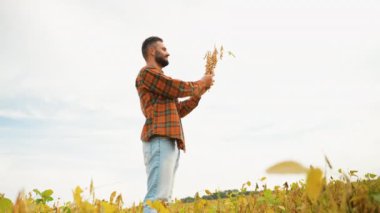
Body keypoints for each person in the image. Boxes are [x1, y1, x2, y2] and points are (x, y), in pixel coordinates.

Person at [135, 36, 214, 212]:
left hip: (168, 140)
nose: (168, 52)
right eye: (163, 49)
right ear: (151, 51)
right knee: (156, 198)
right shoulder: (146, 74)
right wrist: (200, 84)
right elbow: (175, 87)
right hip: (159, 138)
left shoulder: (160, 86)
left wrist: (198, 94)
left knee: (163, 200)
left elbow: (178, 111)